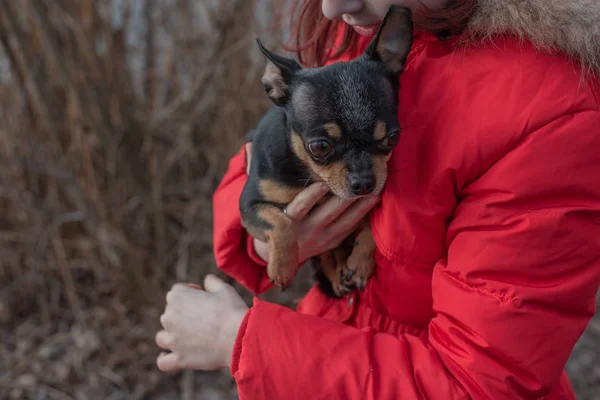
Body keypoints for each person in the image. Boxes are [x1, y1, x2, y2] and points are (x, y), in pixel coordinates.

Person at [155, 0, 600, 398]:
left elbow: (479, 384)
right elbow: (263, 154)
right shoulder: (366, 26)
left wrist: (238, 339)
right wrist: (268, 239)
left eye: (384, 143)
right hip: (323, 352)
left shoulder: (554, 116)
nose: (331, 7)